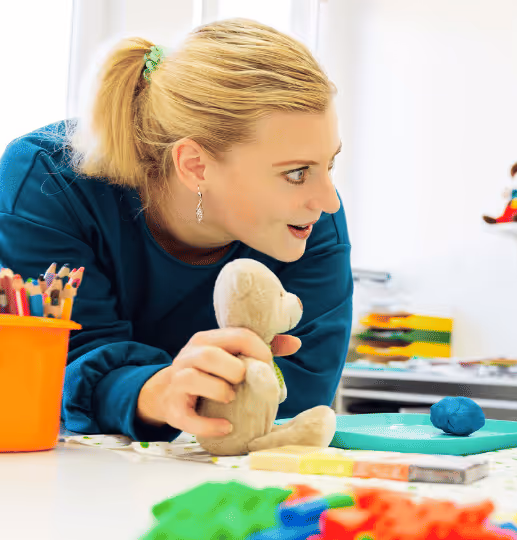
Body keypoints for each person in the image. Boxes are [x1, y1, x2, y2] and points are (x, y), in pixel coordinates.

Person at [0, 18, 352, 442]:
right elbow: (57, 372)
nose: (328, 201)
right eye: (297, 172)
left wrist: (228, 393)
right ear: (195, 165)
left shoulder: (309, 222)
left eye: (327, 164)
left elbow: (297, 404)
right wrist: (159, 392)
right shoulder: (48, 182)